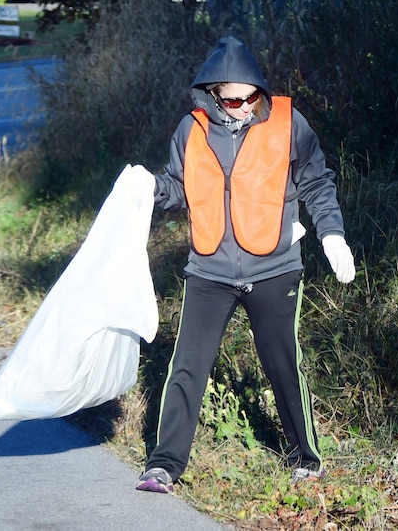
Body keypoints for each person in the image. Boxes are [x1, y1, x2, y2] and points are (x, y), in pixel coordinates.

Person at [135, 35, 356, 493]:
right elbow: (179, 189)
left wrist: (331, 234)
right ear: (212, 93)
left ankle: (306, 457)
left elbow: (316, 182)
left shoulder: (288, 123)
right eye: (231, 98)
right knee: (187, 366)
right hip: (209, 270)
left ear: (259, 89)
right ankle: (164, 464)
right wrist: (148, 188)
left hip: (275, 268)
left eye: (250, 96)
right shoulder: (190, 130)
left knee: (282, 362)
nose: (241, 105)